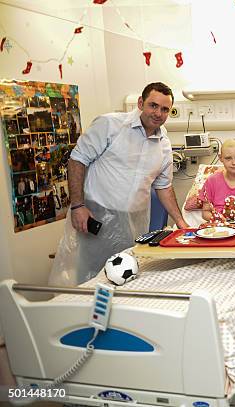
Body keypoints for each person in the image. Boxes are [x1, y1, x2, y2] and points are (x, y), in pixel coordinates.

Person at [50, 82, 189, 285]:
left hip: (134, 222)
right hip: (96, 216)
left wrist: (181, 222)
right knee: (91, 278)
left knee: (127, 276)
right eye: (153, 105)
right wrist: (78, 205)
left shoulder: (164, 146)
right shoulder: (110, 125)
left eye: (165, 109)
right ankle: (85, 314)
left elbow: (164, 186)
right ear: (141, 103)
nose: (158, 113)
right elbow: (77, 160)